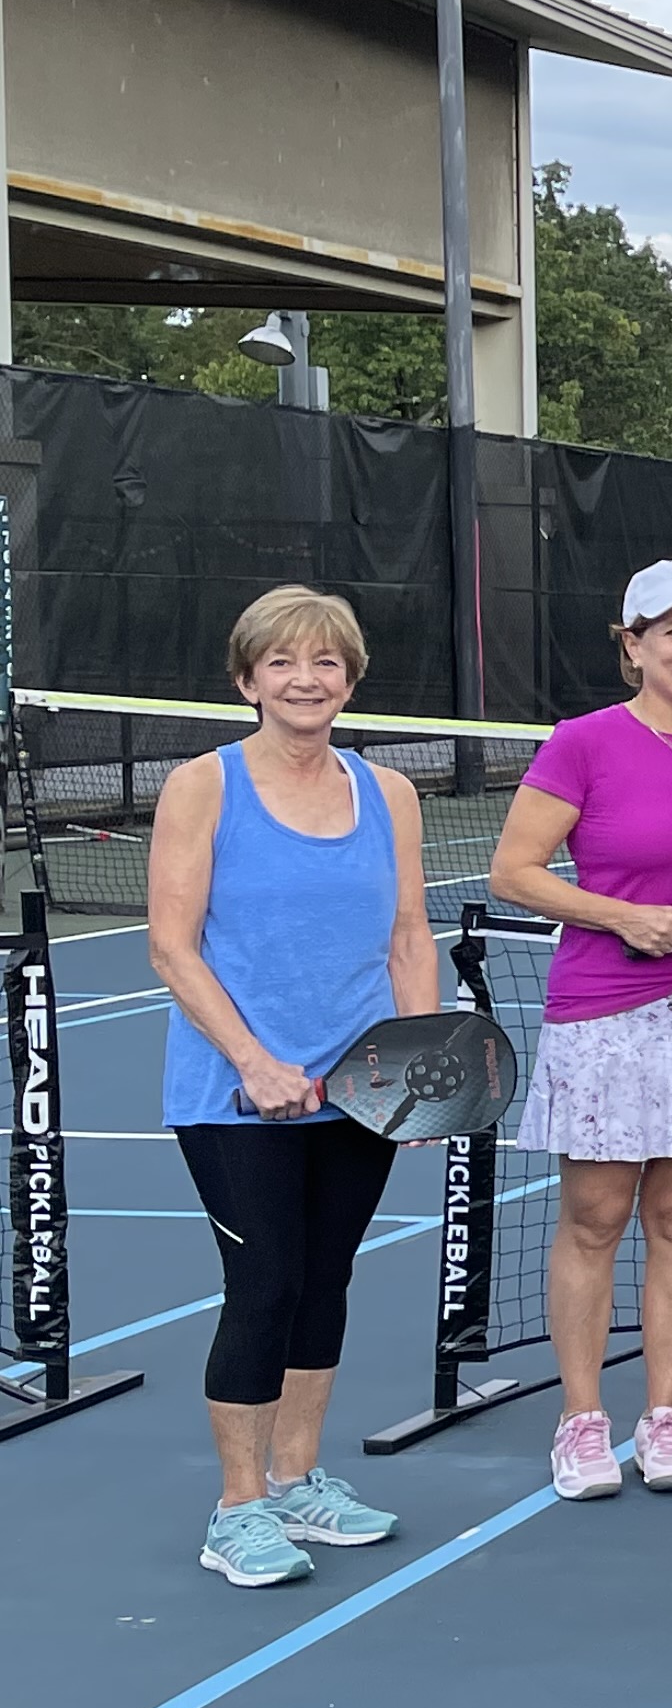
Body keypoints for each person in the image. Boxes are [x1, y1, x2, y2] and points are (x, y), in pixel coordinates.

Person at [147, 587, 431, 1584]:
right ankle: (238, 1507)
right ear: (247, 680)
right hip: (235, 1093)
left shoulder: (387, 794)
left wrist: (422, 1074)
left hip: (358, 1088)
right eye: (283, 663)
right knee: (263, 1283)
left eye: (325, 663)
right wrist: (255, 1063)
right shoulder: (203, 786)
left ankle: (299, 1480)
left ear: (349, 681)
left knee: (325, 1281)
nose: (305, 679)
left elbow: (406, 938)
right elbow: (172, 946)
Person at [486, 558, 672, 1501]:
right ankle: (581, 1420)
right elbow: (515, 871)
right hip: (601, 1010)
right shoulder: (584, 743)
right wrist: (618, 915)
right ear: (633, 645)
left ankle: (666, 1418)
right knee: (596, 1220)